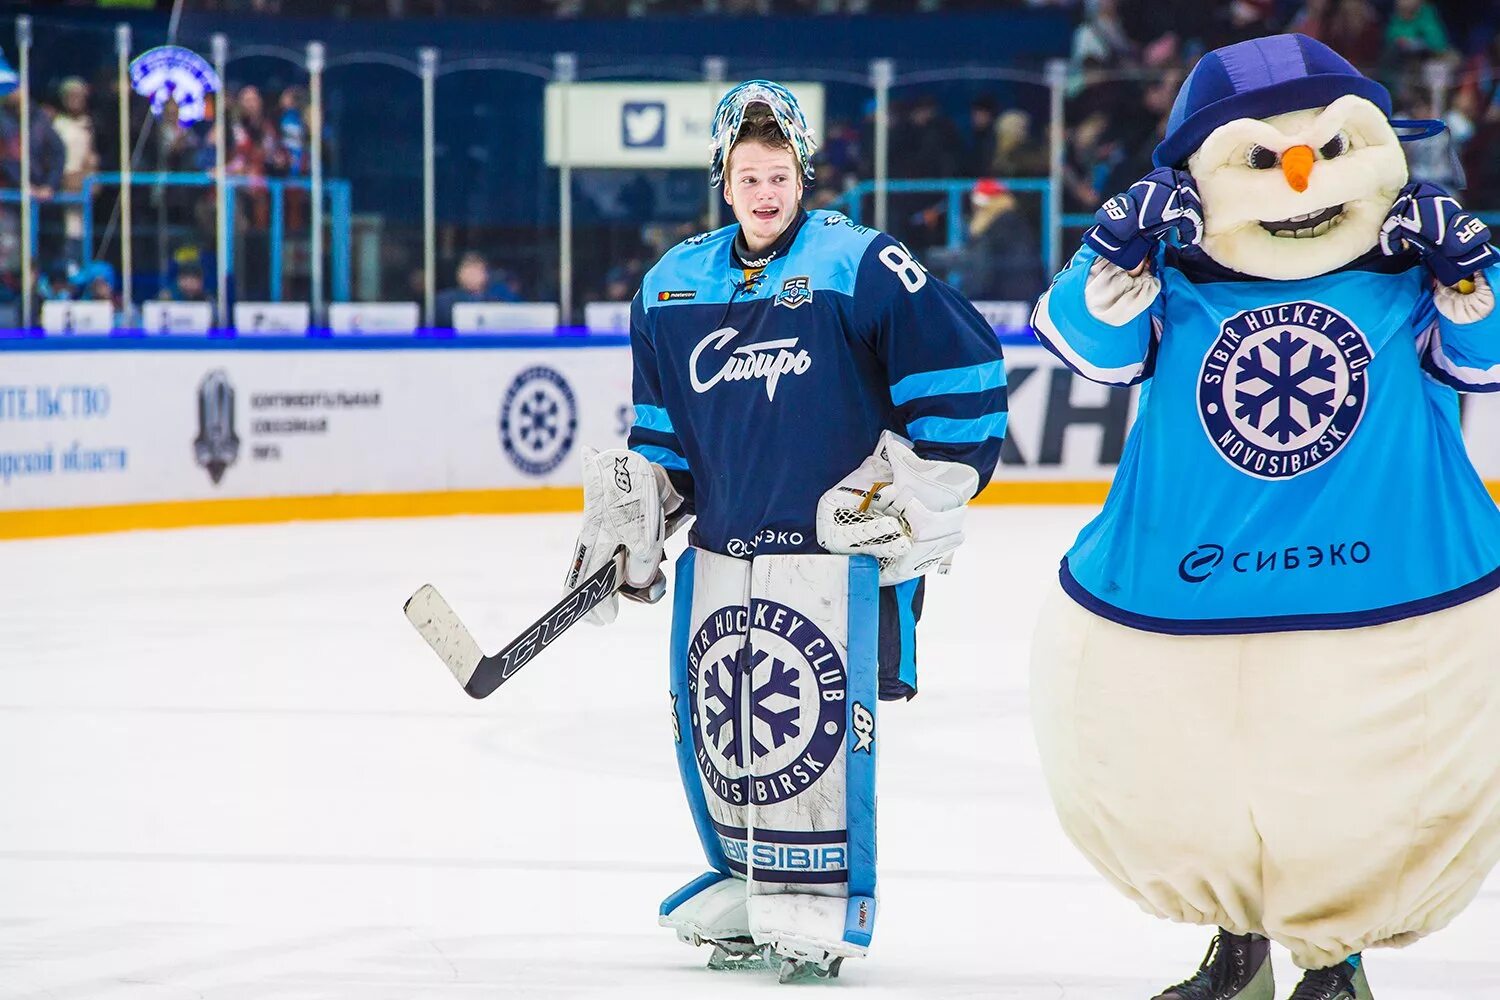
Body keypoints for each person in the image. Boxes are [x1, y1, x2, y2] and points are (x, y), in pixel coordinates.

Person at [1029, 34, 1500, 1000]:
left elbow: (1486, 357)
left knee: (1350, 791)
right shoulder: (1170, 281)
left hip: (1380, 593)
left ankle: (1337, 962)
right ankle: (1236, 952)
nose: (1296, 178)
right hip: (1192, 592)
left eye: (1329, 152)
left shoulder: (1404, 276)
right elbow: (1086, 342)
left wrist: (1466, 275)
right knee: (1207, 781)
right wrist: (1111, 244)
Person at [564, 80, 1006, 983]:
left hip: (835, 563)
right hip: (724, 557)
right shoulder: (670, 285)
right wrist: (636, 518)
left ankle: (821, 899)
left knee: (818, 737)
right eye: (747, 176)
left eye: (779, 174)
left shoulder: (859, 265)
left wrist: (918, 491)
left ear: (803, 173)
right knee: (727, 729)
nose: (765, 192)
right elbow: (668, 440)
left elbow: (966, 366)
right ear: (722, 183)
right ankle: (749, 875)